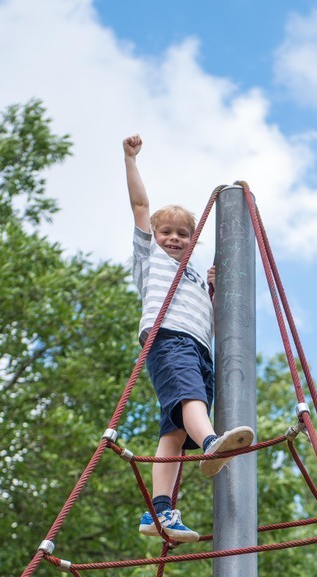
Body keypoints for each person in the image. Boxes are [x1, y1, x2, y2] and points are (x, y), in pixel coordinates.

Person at [123, 135, 254, 544]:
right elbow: (141, 207)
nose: (174, 239)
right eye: (166, 232)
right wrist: (130, 160)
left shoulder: (195, 276)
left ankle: (160, 511)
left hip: (198, 348)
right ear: (155, 236)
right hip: (168, 341)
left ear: (192, 240)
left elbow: (214, 321)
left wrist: (214, 292)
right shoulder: (151, 260)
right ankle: (212, 441)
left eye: (182, 234)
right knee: (190, 402)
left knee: (173, 434)